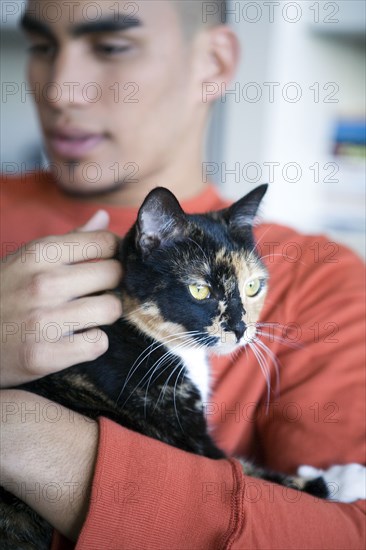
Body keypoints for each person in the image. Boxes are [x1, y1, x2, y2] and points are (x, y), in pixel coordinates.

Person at [0, 1, 365, 548]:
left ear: (214, 63)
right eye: (42, 47)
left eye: (111, 47)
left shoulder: (318, 279)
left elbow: (347, 530)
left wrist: (30, 437)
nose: (59, 90)